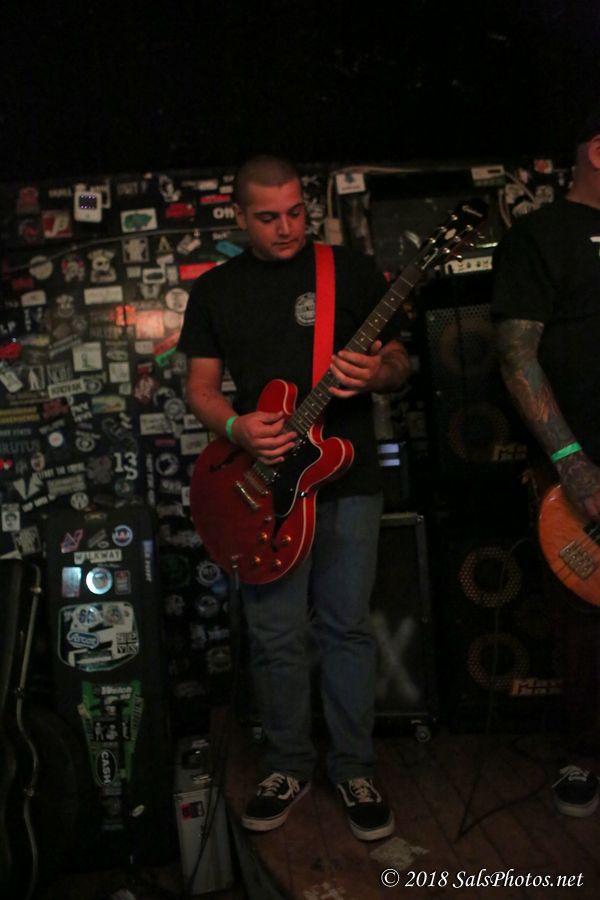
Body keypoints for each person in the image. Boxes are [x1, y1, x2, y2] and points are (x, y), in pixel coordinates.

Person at [177, 155, 410, 840]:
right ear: (239, 216)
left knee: (346, 627)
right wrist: (236, 428)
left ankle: (355, 768)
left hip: (348, 479)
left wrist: (377, 374)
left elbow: (400, 363)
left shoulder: (351, 271)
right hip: (265, 486)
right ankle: (286, 764)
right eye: (268, 217)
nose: (286, 228)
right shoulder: (215, 290)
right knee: (276, 634)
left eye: (295, 212)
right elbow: (200, 388)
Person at [492, 105, 600, 817]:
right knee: (586, 622)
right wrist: (573, 462)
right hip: (581, 466)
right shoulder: (540, 237)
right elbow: (516, 356)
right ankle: (584, 756)